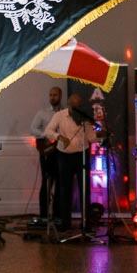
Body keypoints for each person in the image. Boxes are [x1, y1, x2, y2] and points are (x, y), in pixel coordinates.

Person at [45, 93, 98, 231]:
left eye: (79, 106)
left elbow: (91, 137)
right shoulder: (59, 116)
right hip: (64, 156)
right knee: (65, 190)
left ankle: (86, 223)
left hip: (82, 154)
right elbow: (48, 131)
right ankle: (65, 223)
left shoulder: (85, 117)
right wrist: (60, 137)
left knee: (84, 189)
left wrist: (100, 136)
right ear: (68, 105)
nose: (76, 109)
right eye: (73, 106)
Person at [29, 87, 62, 225]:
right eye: (50, 95)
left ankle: (58, 215)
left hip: (61, 151)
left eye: (55, 95)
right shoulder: (42, 113)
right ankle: (43, 215)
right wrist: (46, 135)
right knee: (46, 182)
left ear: (60, 96)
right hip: (47, 151)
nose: (52, 97)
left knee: (60, 183)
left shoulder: (65, 113)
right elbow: (33, 129)